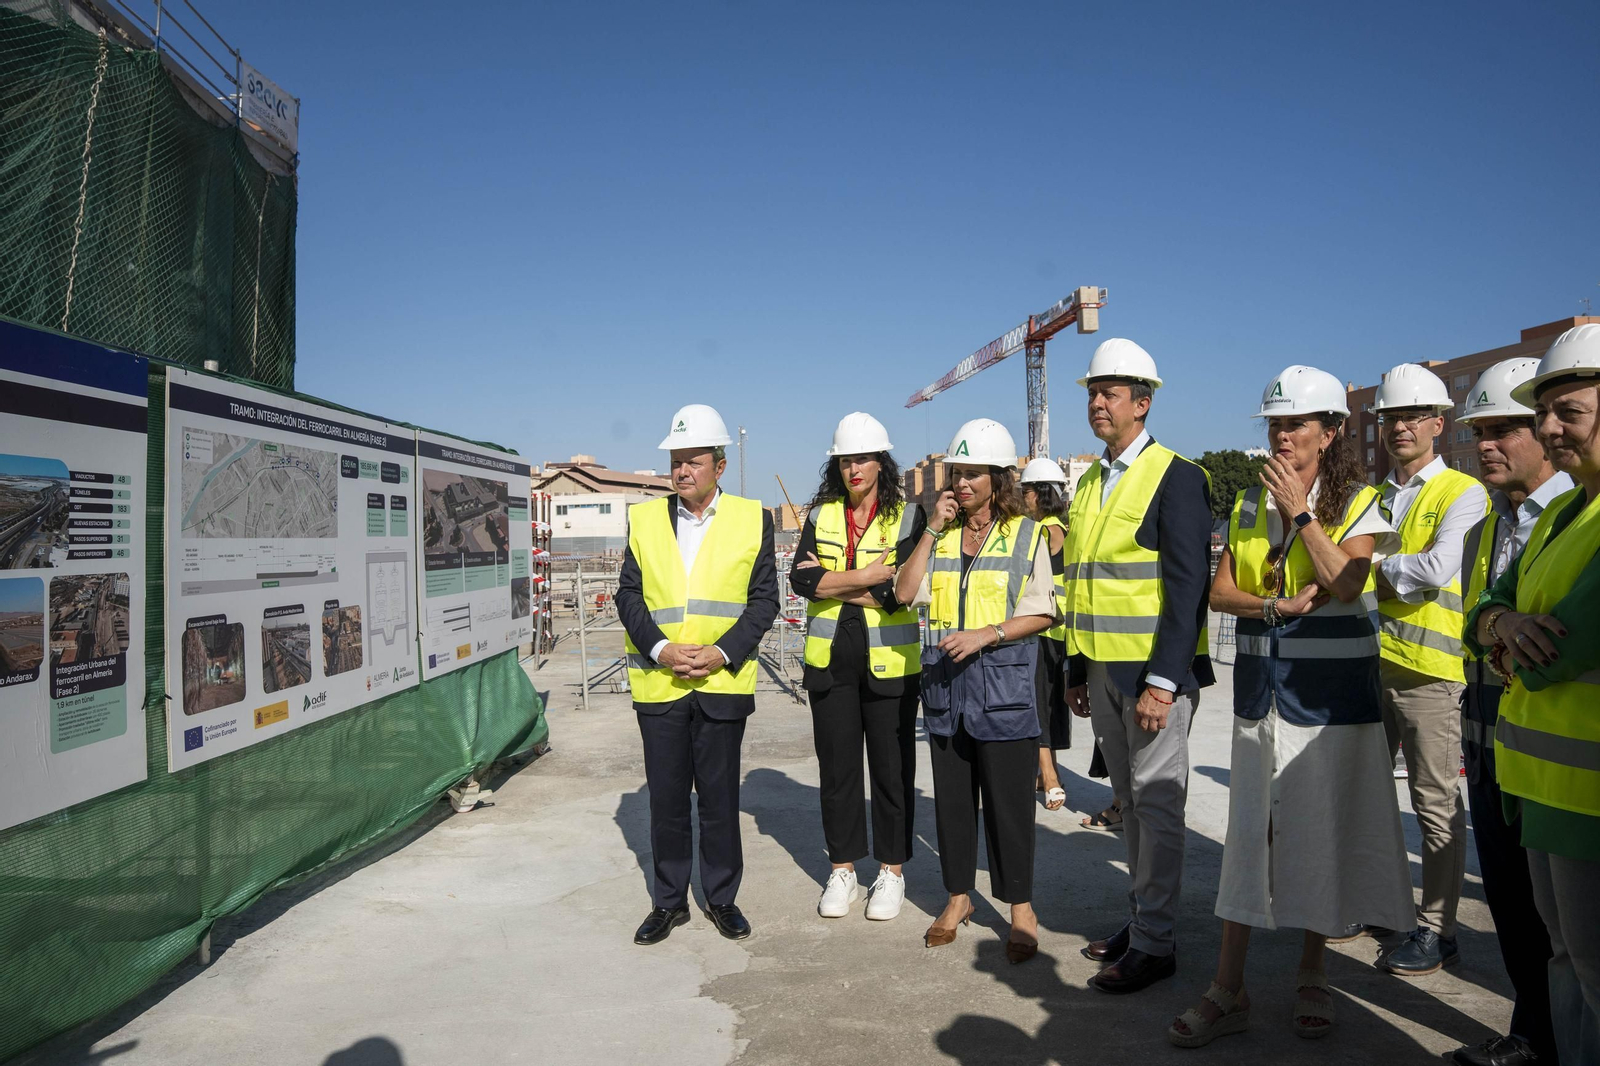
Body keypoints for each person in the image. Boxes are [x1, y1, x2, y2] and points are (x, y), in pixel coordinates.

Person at [1167, 365, 1412, 1047]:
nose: (1280, 435)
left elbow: (1344, 579)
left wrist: (1302, 513)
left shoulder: (1362, 503)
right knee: (1250, 837)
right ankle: (1228, 986)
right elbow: (1220, 594)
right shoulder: (1247, 504)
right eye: (1273, 424)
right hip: (1259, 700)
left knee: (1320, 834)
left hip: (1332, 705)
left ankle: (1313, 974)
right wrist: (1272, 604)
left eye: (1295, 423)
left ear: (1331, 433)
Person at [1062, 338, 1214, 995]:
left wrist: (1162, 680)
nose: (1098, 402)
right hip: (1101, 671)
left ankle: (1156, 943)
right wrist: (1075, 666)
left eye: (1111, 393)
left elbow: (1187, 588)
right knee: (1129, 806)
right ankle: (1141, 921)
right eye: (1094, 392)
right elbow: (1082, 580)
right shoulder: (1092, 479)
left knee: (1157, 809)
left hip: (1151, 678)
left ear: (1142, 403)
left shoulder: (1178, 477)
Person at [1466, 323, 1600, 1066]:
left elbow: (1555, 655)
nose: (1548, 429)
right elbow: (1482, 613)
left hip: (1589, 797)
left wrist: (1502, 631)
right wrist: (1504, 622)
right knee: (1563, 963)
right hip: (1541, 787)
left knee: (1592, 970)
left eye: (1566, 411)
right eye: (1540, 413)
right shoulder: (1566, 514)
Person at [893, 418, 1058, 963]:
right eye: (956, 473)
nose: (961, 484)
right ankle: (958, 898)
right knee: (953, 808)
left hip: (1004, 691)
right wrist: (931, 531)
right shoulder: (937, 533)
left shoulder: (1027, 533)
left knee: (1010, 808)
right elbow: (904, 591)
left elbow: (1042, 611)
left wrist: (989, 634)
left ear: (998, 478)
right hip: (945, 691)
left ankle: (1021, 910)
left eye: (972, 474)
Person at [616, 403, 779, 945]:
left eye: (694, 460)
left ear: (720, 466)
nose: (682, 470)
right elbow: (628, 596)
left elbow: (763, 602)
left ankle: (721, 898)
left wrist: (722, 653)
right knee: (666, 803)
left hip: (720, 682)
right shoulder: (643, 520)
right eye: (675, 461)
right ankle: (668, 903)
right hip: (660, 683)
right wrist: (661, 648)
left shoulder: (754, 518)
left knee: (718, 801)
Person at [1450, 359, 1569, 1066]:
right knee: (1513, 905)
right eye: (1481, 431)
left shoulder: (1574, 516)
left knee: (1566, 923)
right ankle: (1533, 1035)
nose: (1488, 445)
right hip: (1490, 742)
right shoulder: (1485, 533)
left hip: (1554, 753)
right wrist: (1496, 626)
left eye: (1503, 430)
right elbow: (1473, 620)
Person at [1362, 363, 1489, 976]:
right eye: (1391, 417)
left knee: (1435, 805)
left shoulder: (1463, 492)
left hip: (1430, 676)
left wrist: (1367, 570)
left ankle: (1438, 931)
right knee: (1368, 798)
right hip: (1373, 668)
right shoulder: (1379, 495)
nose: (1401, 426)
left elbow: (1437, 571)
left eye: (1414, 416)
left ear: (1439, 423)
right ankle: (1384, 906)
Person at [790, 412, 924, 921]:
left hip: (891, 666)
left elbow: (899, 595)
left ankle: (891, 871)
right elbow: (801, 581)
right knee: (838, 772)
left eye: (864, 458)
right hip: (829, 663)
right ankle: (842, 869)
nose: (854, 468)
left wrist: (835, 582)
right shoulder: (820, 516)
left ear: (881, 463)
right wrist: (866, 576)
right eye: (846, 459)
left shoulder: (907, 517)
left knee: (892, 773)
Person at [1020, 456, 1071, 813]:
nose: (1023, 499)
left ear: (1039, 494)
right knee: (1050, 707)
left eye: (1025, 492)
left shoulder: (1041, 532)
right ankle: (1044, 773)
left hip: (1043, 628)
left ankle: (1050, 777)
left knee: (1037, 707)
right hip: (1066, 632)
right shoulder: (1068, 530)